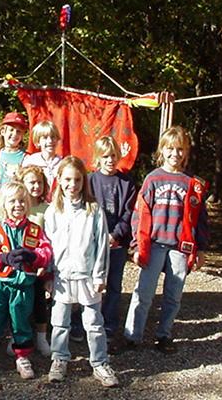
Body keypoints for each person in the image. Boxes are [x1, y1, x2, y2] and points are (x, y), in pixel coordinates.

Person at [123, 126, 209, 354]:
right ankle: (132, 336)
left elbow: (200, 218)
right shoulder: (153, 179)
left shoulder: (192, 183)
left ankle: (164, 335)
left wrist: (200, 249)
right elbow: (139, 214)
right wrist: (135, 246)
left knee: (173, 295)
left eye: (180, 149)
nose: (175, 154)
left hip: (180, 247)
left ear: (186, 152)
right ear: (162, 150)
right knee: (143, 293)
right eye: (170, 149)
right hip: (154, 244)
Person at [44, 156, 119, 387]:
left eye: (77, 180)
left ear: (83, 181)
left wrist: (100, 276)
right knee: (60, 322)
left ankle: (99, 362)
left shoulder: (94, 210)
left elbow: (100, 247)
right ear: (59, 180)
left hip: (87, 276)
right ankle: (59, 359)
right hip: (62, 276)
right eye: (67, 179)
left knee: (94, 322)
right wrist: (48, 274)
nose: (72, 185)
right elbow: (47, 246)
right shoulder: (52, 211)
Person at [0, 181, 52, 380]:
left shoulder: (34, 230)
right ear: (3, 205)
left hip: (24, 285)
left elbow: (46, 249)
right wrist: (2, 258)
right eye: (12, 201)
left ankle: (22, 356)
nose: (18, 205)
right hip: (1, 284)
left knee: (21, 321)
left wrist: (35, 257)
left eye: (22, 201)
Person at [88, 136, 137, 340]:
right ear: (98, 158)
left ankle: (109, 325)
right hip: (93, 243)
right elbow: (85, 210)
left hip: (117, 244)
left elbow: (129, 213)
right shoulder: (90, 180)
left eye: (113, 156)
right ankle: (89, 321)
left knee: (114, 285)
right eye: (106, 156)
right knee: (92, 284)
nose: (110, 160)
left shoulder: (126, 182)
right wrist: (97, 236)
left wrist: (116, 234)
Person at [16, 165, 52, 357]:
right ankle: (18, 336)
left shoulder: (47, 209)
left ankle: (41, 336)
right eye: (31, 182)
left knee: (39, 301)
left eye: (39, 182)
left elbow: (50, 239)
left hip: (39, 264)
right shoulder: (18, 206)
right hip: (19, 265)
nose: (36, 186)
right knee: (18, 301)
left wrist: (46, 266)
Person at [0, 112, 28, 195]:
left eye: (18, 131)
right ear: (3, 132)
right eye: (11, 130)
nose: (14, 134)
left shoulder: (26, 158)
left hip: (16, 200)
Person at [22, 120, 62, 200]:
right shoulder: (30, 162)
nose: (50, 141)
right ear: (38, 142)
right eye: (45, 138)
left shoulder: (62, 163)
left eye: (53, 137)